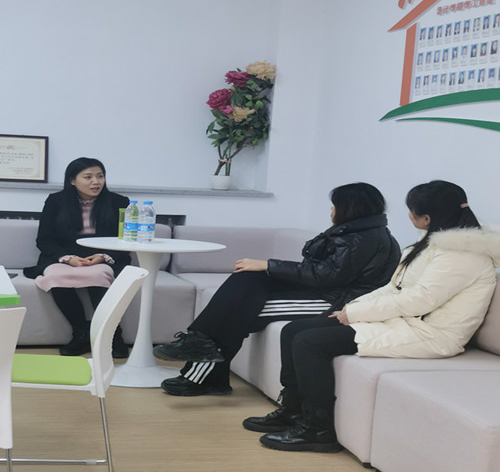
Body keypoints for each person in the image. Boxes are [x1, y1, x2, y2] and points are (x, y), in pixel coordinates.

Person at [244, 180, 500, 453]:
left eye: (411, 210)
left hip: (430, 335)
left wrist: (356, 313)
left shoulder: (462, 255)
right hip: (407, 323)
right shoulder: (433, 243)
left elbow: (419, 300)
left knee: (310, 342)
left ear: (426, 218)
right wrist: (352, 308)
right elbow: (394, 288)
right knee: (293, 330)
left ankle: (317, 429)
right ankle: (292, 410)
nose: (409, 215)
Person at [153, 183, 401, 396]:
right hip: (326, 292)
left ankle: (203, 373)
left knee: (235, 312)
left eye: (334, 205)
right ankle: (200, 348)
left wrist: (268, 264)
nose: (331, 210)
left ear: (349, 208)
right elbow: (322, 271)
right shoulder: (355, 232)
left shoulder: (364, 239)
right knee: (248, 279)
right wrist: (264, 268)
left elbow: (324, 276)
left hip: (337, 303)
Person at [23, 157, 131, 357]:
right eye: (88, 177)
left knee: (98, 275)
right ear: (72, 180)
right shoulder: (56, 201)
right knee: (55, 276)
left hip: (103, 255)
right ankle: (81, 332)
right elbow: (44, 239)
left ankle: (113, 335)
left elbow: (126, 239)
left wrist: (102, 255)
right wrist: (67, 258)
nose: (96, 182)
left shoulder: (119, 202)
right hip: (64, 256)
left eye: (100, 176)